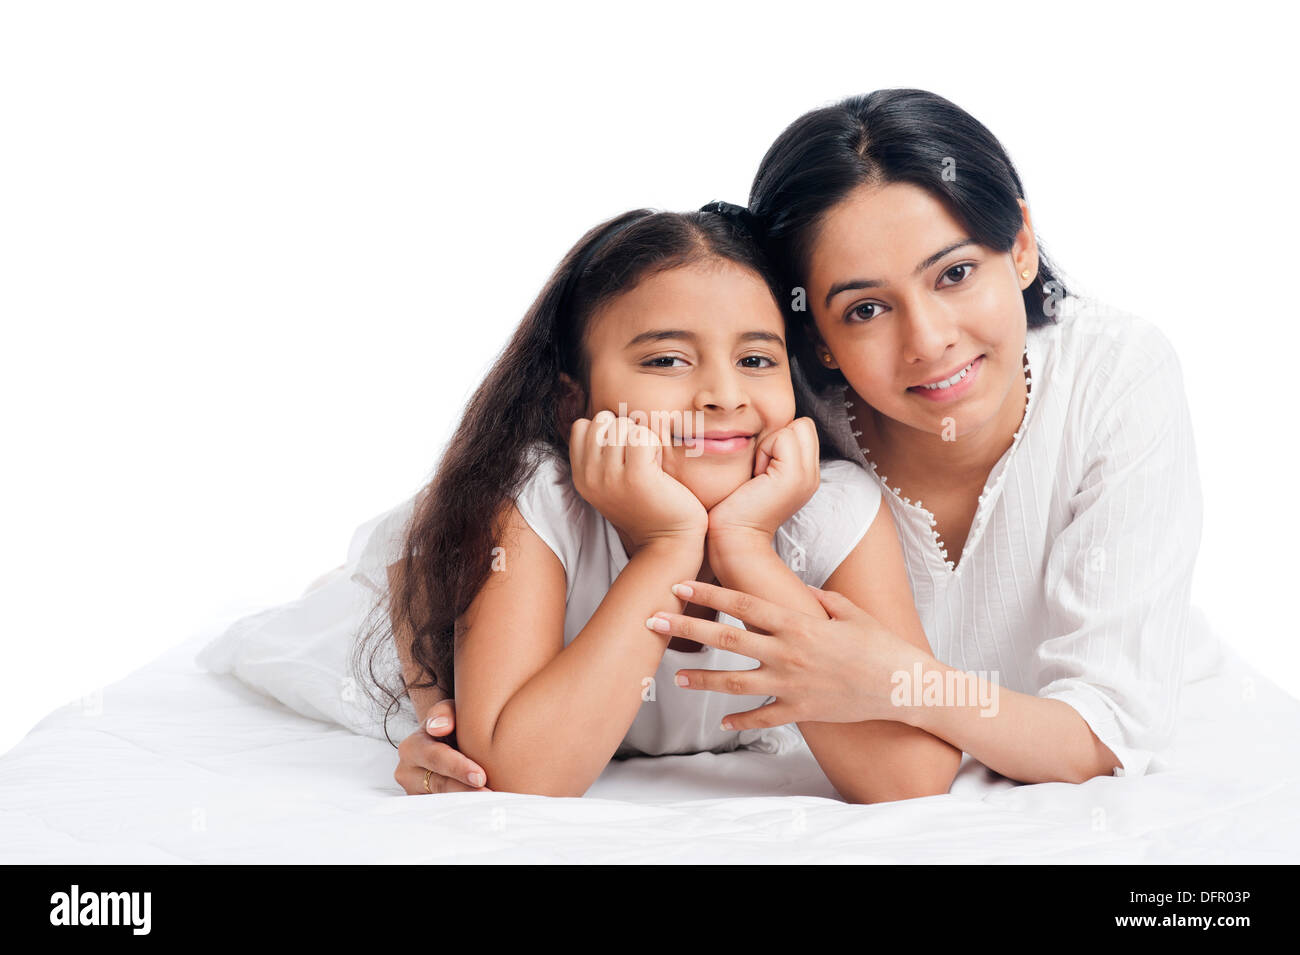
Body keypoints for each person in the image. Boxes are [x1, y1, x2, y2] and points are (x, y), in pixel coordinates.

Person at [651, 88, 1206, 784]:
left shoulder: (1116, 377)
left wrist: (901, 680)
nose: (929, 340)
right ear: (814, 337)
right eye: (866, 309)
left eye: (956, 273)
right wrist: (477, 692)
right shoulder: (776, 411)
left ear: (1023, 245)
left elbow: (1102, 735)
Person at [358, 204, 963, 801]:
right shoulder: (533, 498)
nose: (725, 396)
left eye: (755, 360)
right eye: (666, 360)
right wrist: (667, 548)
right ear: (576, 404)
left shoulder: (831, 507)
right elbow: (523, 778)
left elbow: (910, 778)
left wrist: (747, 546)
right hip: (391, 605)